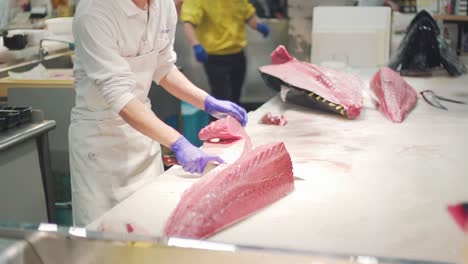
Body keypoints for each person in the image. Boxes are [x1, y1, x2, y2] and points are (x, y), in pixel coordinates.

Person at [70, 0, 248, 226]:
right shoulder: (94, 12)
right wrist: (178, 142)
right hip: (100, 142)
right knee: (104, 238)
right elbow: (119, 96)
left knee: (149, 227)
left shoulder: (162, 5)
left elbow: (163, 67)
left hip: (144, 134)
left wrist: (207, 102)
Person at [181, 0, 270, 105]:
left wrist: (259, 25)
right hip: (215, 58)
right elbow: (188, 23)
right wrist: (196, 44)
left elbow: (248, 15)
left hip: (238, 55)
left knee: (235, 97)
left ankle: (234, 121)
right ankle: (219, 121)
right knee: (221, 98)